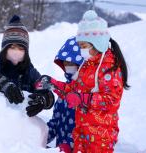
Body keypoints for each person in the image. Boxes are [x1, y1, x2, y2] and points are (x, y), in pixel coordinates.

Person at [36, 10, 130, 153]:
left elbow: (112, 99)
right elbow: (74, 89)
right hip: (82, 132)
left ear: (97, 43)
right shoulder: (87, 65)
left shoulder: (109, 68)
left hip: (100, 137)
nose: (81, 51)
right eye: (79, 46)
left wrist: (83, 99)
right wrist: (54, 84)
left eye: (83, 46)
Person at [0, 15, 54, 111]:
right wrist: (1, 83)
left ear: (26, 52)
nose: (16, 52)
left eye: (21, 48)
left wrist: (44, 99)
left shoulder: (30, 72)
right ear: (5, 49)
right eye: (12, 47)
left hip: (21, 124)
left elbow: (46, 91)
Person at [44, 37, 84, 152]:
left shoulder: (86, 94)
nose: (68, 66)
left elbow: (86, 129)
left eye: (71, 63)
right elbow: (55, 122)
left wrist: (69, 145)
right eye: (65, 63)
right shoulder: (63, 93)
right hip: (60, 148)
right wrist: (40, 138)